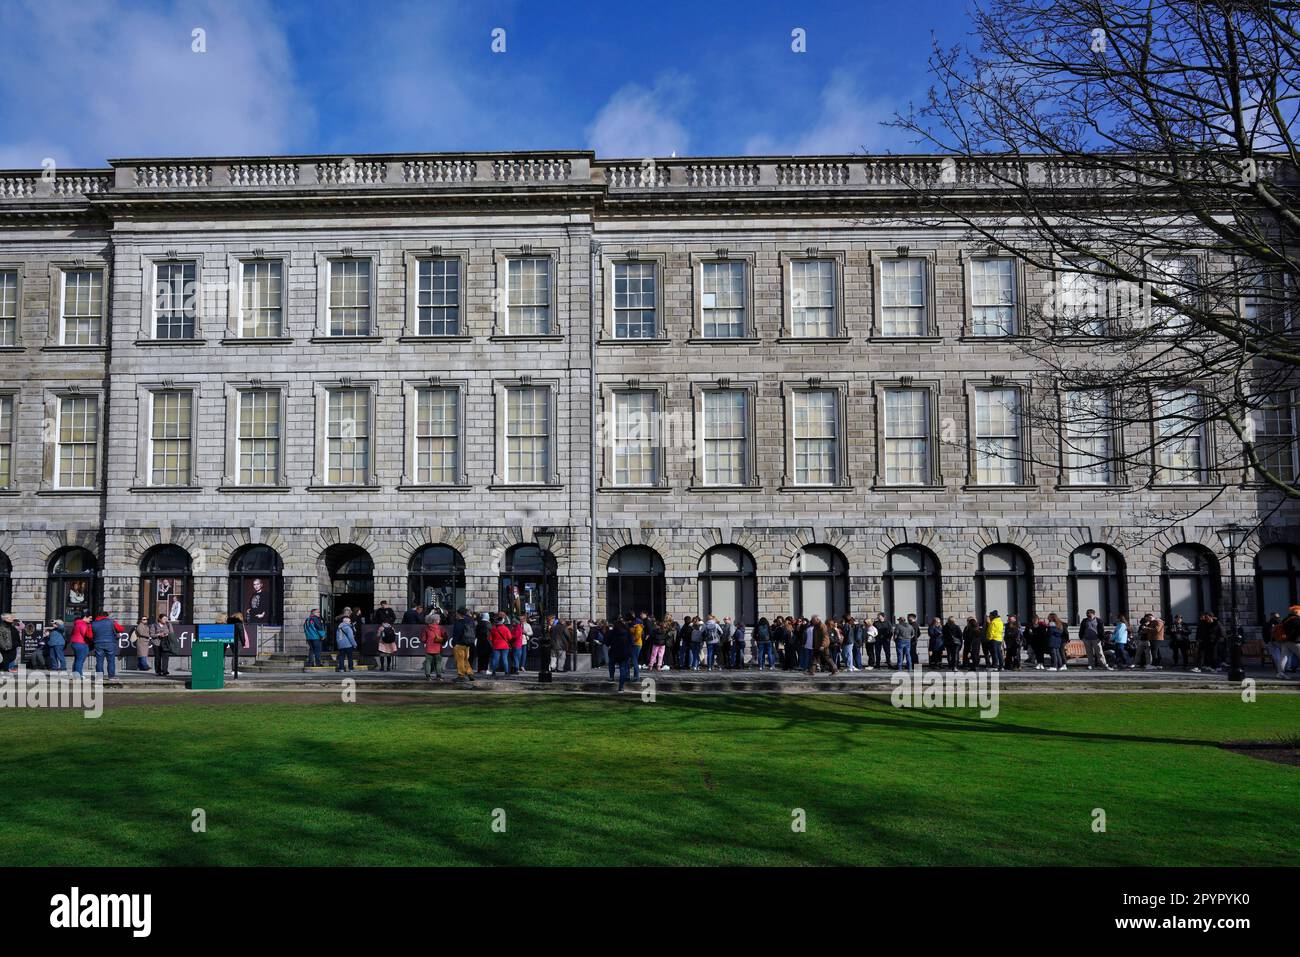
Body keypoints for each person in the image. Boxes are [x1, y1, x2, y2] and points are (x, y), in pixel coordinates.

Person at [91, 611, 125, 677]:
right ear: (106, 616)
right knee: (111, 660)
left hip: (98, 643)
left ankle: (99, 676)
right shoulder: (111, 622)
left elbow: (90, 635)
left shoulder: (93, 623)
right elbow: (121, 629)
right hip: (110, 643)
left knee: (99, 661)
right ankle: (111, 676)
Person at [607, 616, 634, 692]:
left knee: (611, 664)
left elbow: (607, 642)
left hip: (614, 652)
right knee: (623, 669)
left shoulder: (612, 632)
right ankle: (621, 687)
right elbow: (631, 642)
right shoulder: (628, 632)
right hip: (624, 652)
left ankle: (611, 677)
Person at [451, 610, 476, 682]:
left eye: (457, 614)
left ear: (459, 614)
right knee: (465, 660)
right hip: (468, 643)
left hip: (459, 643)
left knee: (459, 660)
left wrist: (454, 642)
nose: (456, 615)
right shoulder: (470, 621)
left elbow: (457, 633)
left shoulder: (459, 622)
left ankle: (461, 675)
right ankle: (470, 673)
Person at [422, 615, 446, 681]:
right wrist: (442, 641)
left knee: (428, 662)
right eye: (439, 619)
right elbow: (445, 636)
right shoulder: (441, 628)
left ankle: (428, 676)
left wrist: (426, 641)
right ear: (436, 620)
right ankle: (438, 676)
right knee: (438, 662)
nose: (439, 620)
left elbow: (423, 639)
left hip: (429, 648)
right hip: (438, 648)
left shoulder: (426, 628)